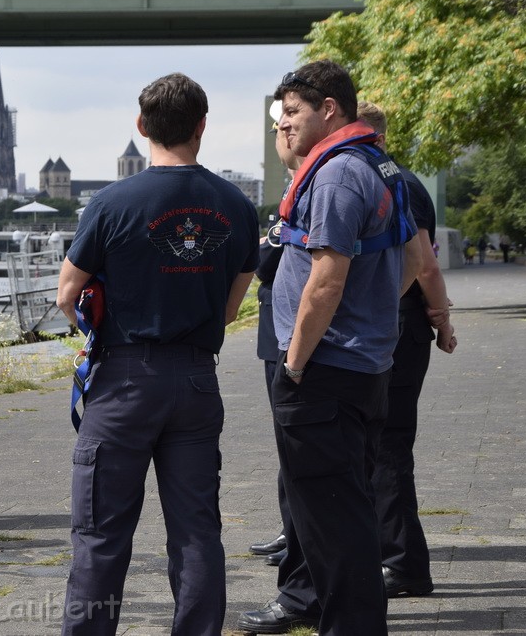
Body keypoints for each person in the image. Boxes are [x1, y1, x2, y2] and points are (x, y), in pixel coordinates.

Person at [56, 73, 259, 635]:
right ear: (202, 127)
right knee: (197, 531)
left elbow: (67, 295)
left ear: (142, 127)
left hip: (123, 381)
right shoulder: (237, 206)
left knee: (101, 535)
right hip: (196, 380)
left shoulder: (112, 202)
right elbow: (230, 309)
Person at [237, 61, 422, 635]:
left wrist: (294, 360)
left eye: (293, 111)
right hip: (360, 365)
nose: (284, 124)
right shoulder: (377, 165)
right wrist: (369, 318)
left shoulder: (338, 175)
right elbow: (414, 261)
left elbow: (327, 279)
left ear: (330, 109)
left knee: (331, 522)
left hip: (323, 372)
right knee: (347, 512)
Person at [357, 101, 458, 598]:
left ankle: (404, 565)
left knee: (388, 447)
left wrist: (441, 320)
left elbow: (424, 265)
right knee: (382, 445)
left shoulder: (396, 182)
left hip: (398, 323)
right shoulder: (401, 178)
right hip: (403, 323)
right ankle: (392, 557)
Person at [248, 124, 303, 568]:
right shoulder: (296, 188)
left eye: (284, 124)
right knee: (288, 443)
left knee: (295, 440)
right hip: (277, 332)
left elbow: (265, 261)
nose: (278, 133)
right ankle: (292, 530)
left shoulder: (304, 190)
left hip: (289, 338)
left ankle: (298, 537)